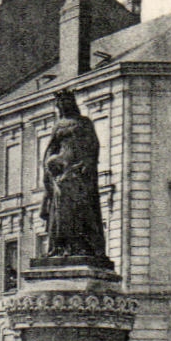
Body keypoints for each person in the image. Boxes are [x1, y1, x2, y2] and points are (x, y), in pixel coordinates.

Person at [39, 89, 109, 261]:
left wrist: (87, 163)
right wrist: (49, 165)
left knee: (81, 207)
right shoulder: (58, 125)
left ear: (73, 103)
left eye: (66, 102)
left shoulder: (84, 122)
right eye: (60, 103)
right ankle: (60, 245)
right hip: (60, 170)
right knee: (60, 208)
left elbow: (94, 146)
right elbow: (51, 148)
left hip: (79, 170)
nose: (63, 105)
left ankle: (81, 245)